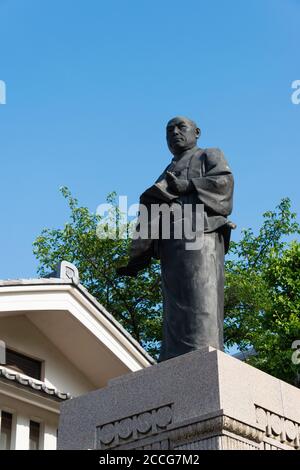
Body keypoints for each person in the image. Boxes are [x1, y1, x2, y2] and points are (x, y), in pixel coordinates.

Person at [117, 116, 234, 361]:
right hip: (171, 244)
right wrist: (137, 257)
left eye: (181, 127)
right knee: (174, 305)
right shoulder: (167, 170)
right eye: (169, 130)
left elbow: (224, 183)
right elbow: (151, 210)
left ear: (197, 132)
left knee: (201, 295)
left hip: (201, 236)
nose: (175, 133)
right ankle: (174, 358)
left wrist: (188, 186)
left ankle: (203, 352)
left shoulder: (208, 155)